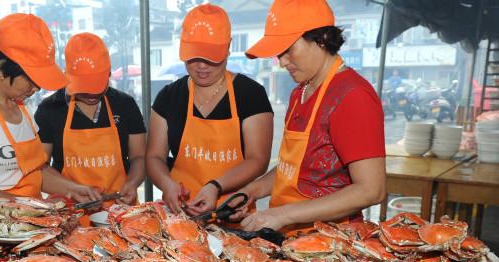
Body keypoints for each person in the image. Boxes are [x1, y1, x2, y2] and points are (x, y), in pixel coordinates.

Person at [231, 0, 386, 234]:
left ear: (321, 39)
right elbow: (293, 170)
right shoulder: (300, 92)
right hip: (288, 236)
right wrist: (251, 191)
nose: (282, 62)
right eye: (278, 53)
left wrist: (282, 214)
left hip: (328, 243)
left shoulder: (352, 96)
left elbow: (371, 189)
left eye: (288, 50)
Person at [0, 13, 101, 209]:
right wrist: (39, 208)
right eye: (31, 79)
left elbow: (36, 171)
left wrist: (74, 189)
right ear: (2, 70)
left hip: (33, 220)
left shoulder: (21, 105)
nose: (36, 88)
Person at [145, 3, 273, 215]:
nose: (202, 66)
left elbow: (257, 159)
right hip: (181, 215)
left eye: (211, 57)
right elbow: (154, 157)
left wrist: (216, 186)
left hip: (232, 213)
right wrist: (166, 184)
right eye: (194, 57)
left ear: (228, 47)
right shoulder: (168, 97)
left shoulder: (250, 94)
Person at [35, 33, 146, 206]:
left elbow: (139, 156)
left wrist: (132, 183)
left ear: (109, 73)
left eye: (97, 85)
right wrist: (72, 189)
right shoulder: (49, 109)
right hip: (70, 209)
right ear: (67, 75)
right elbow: (39, 167)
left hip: (120, 208)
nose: (92, 94)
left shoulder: (125, 104)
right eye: (84, 87)